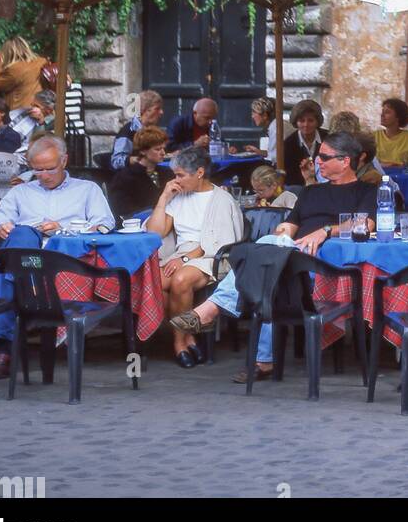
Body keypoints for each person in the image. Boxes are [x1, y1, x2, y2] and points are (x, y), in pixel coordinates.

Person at [169, 131, 378, 382]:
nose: (317, 161)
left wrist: (324, 232)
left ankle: (214, 311)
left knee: (265, 262)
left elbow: (366, 224)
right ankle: (258, 356)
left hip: (328, 266)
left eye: (323, 156)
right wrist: (282, 235)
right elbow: (289, 226)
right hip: (293, 261)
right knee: (269, 260)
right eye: (317, 155)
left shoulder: (367, 191)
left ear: (345, 161)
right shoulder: (311, 192)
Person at [0, 135, 117, 378]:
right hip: (27, 259)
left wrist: (65, 230)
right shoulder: (21, 193)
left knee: (10, 270)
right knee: (21, 236)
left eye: (49, 168)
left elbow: (105, 225)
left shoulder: (87, 190)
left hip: (66, 260)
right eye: (37, 170)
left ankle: (3, 347)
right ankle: (5, 339)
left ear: (64, 161)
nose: (43, 175)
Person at [145, 145, 244, 368]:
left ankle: (179, 342)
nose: (176, 180)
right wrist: (163, 198)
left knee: (181, 280)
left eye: (180, 175)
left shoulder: (220, 199)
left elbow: (219, 242)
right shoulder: (178, 198)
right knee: (155, 282)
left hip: (210, 255)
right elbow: (154, 233)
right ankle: (188, 335)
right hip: (180, 254)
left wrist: (186, 259)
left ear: (199, 173)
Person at [107, 124, 168, 220]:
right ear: (143, 151)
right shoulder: (124, 178)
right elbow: (122, 209)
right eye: (157, 149)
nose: (163, 153)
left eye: (164, 148)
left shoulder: (168, 173)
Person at [0, 37, 50, 139]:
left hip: (20, 116)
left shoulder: (13, 70)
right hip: (43, 112)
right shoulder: (42, 62)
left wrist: (0, 66)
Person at [112, 90, 165, 169]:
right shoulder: (128, 131)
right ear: (143, 110)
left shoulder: (155, 131)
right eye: (157, 109)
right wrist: (137, 160)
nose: (161, 112)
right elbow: (116, 162)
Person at [375, 97, 408, 169]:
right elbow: (365, 162)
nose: (382, 115)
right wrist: (382, 166)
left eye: (387, 112)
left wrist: (405, 166)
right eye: (382, 112)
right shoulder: (374, 137)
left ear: (398, 116)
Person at [284, 99, 329, 180]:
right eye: (301, 121)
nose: (306, 125)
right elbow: (289, 176)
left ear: (317, 121)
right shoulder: (288, 144)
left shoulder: (329, 138)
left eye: (311, 120)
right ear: (296, 122)